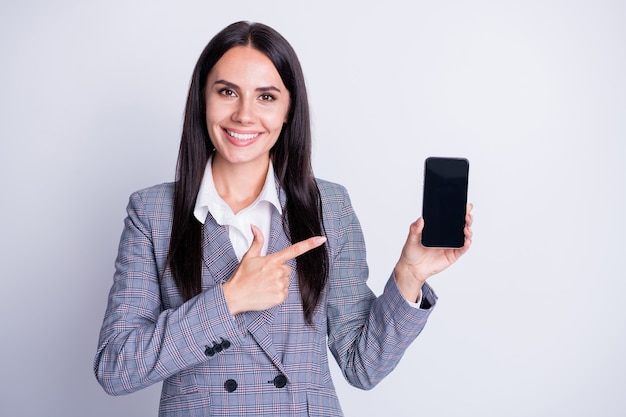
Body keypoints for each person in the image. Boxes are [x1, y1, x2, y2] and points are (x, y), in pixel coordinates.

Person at [94, 21, 473, 417]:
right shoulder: (153, 213)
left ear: (289, 109)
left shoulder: (329, 205)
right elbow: (116, 366)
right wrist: (229, 300)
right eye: (227, 92)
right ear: (202, 101)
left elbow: (364, 366)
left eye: (266, 97)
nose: (244, 114)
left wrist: (409, 277)